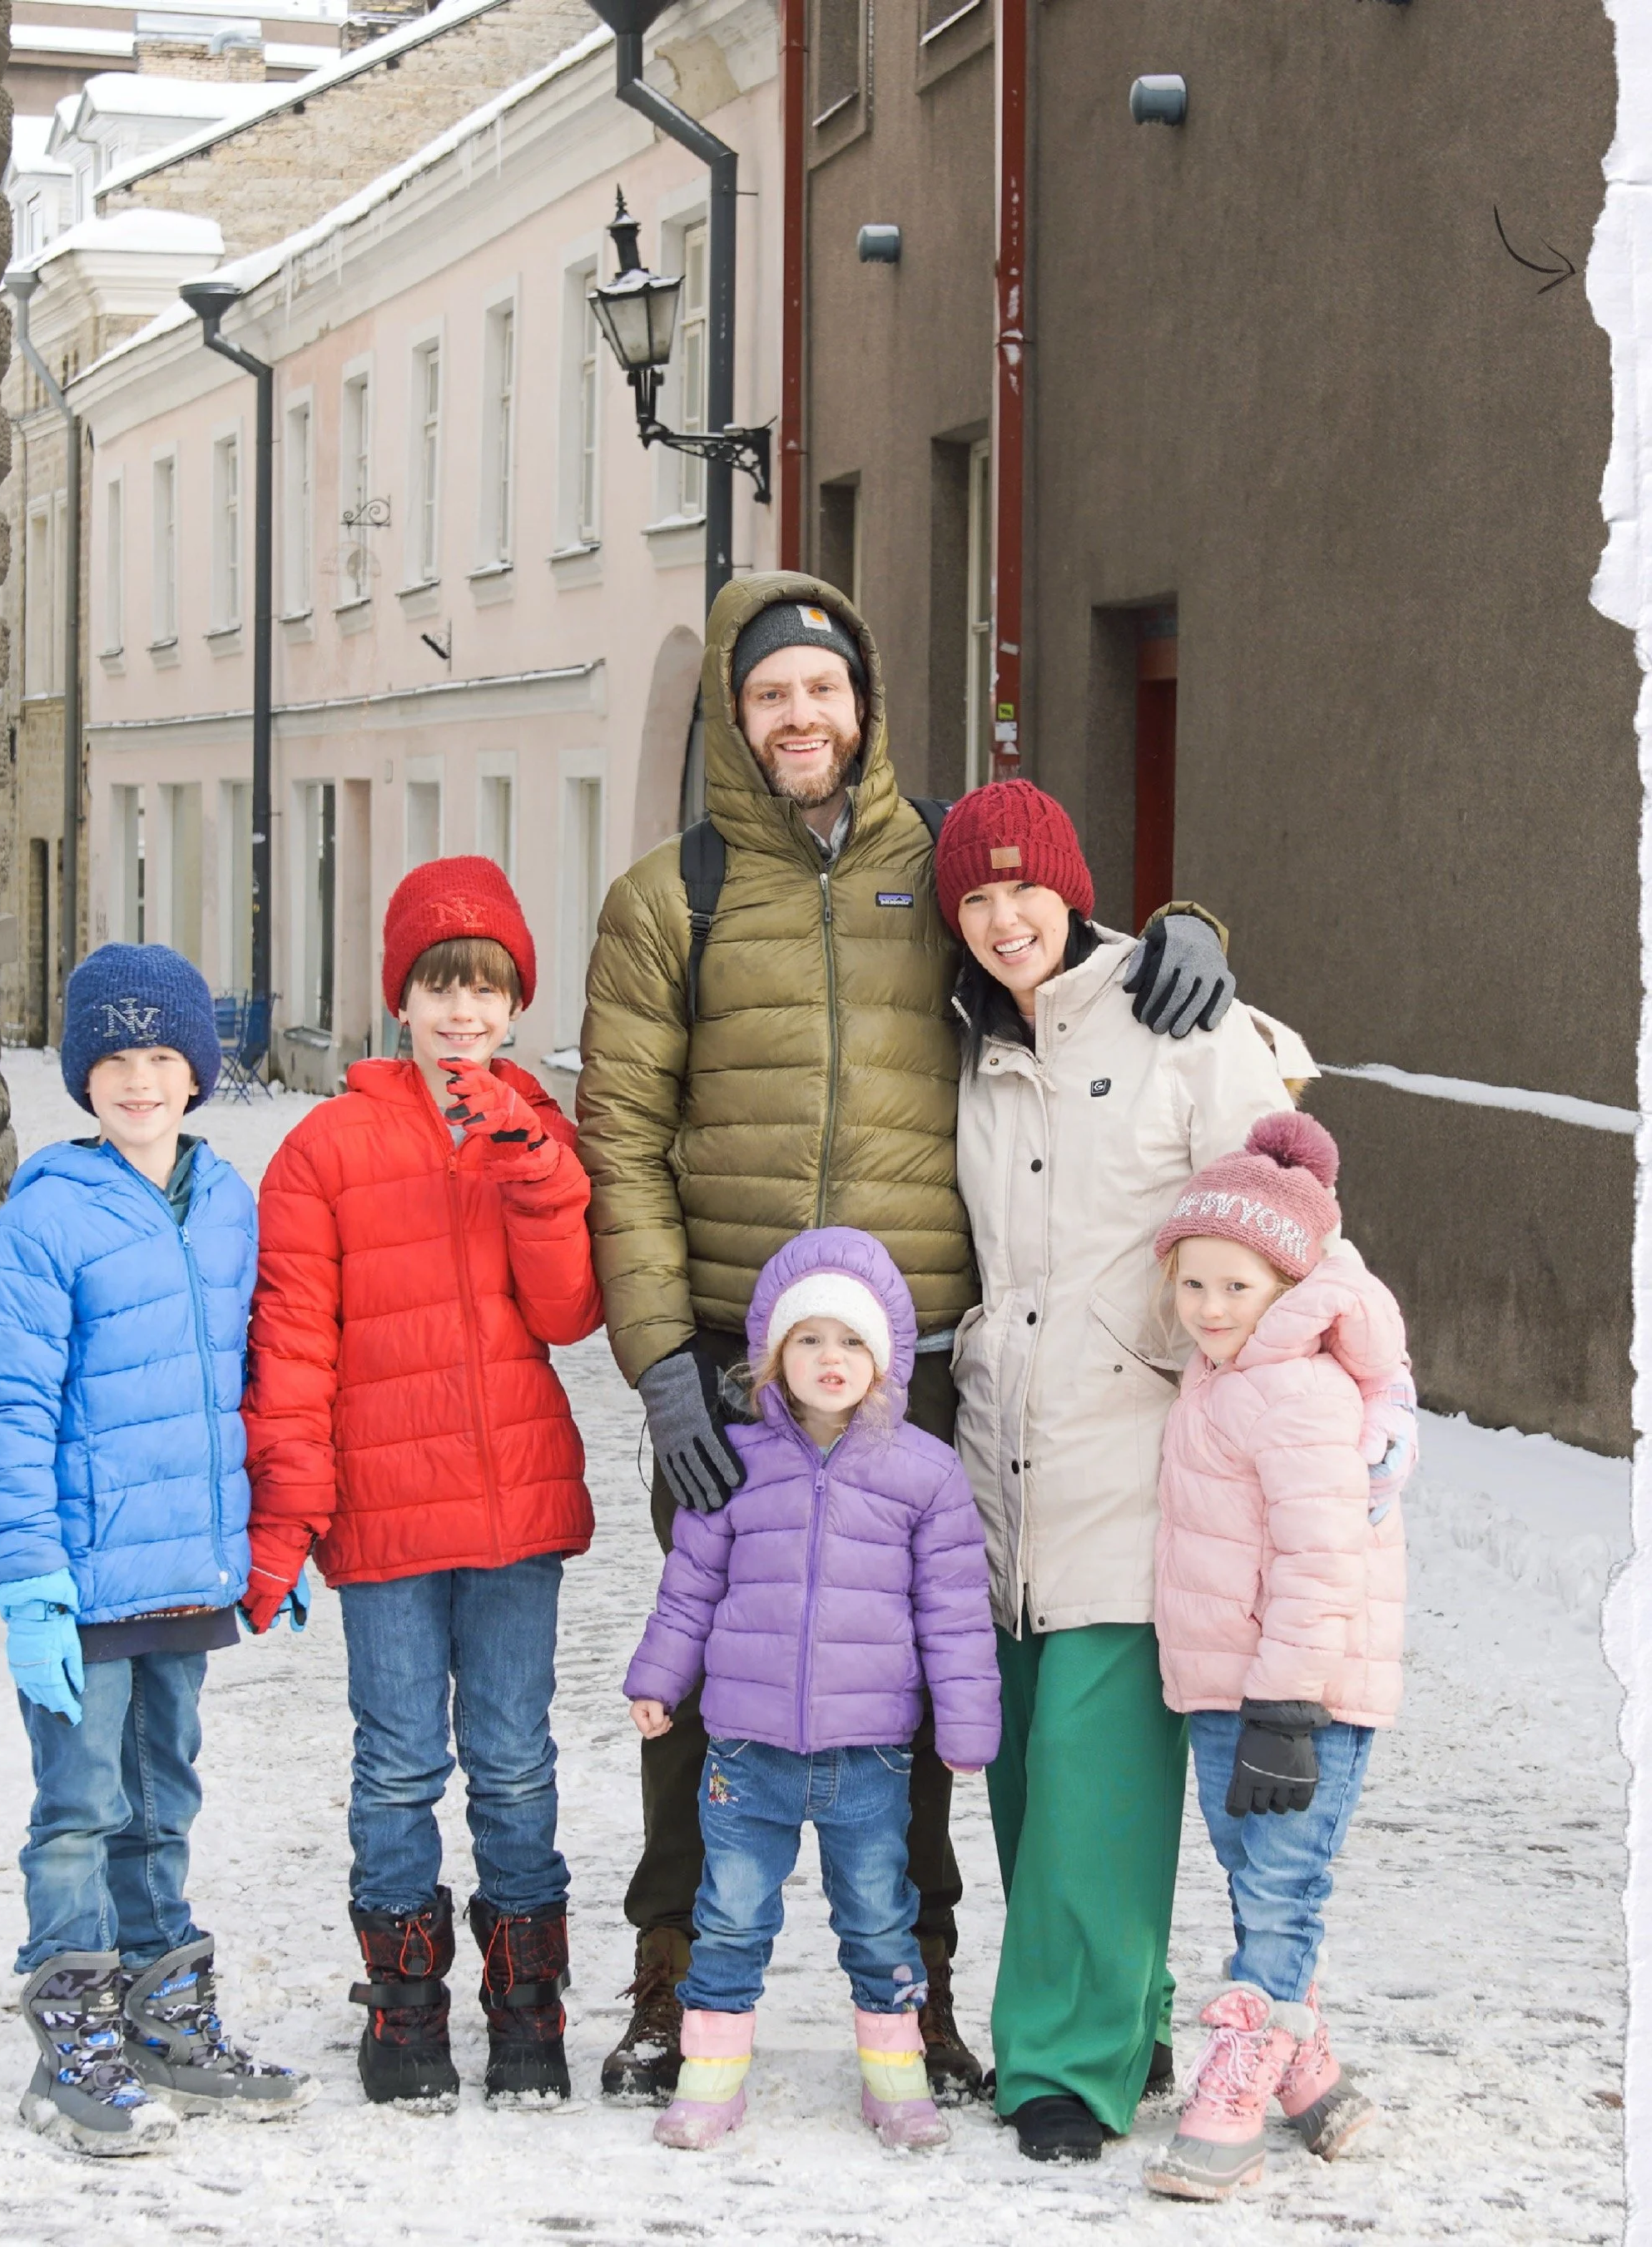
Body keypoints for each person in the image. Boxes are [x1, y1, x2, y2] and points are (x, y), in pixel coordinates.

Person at [578, 571, 1237, 2101]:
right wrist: (666, 1362)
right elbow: (619, 1138)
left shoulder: (934, 865)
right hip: (736, 1371)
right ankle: (672, 1976)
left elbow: (1052, 949)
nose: (798, 717)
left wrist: (1186, 929)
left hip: (916, 1364)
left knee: (922, 1681)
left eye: (821, 690)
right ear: (734, 721)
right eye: (767, 696)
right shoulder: (670, 895)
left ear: (860, 702)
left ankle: (918, 1987)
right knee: (700, 1684)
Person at [939, 778, 1312, 2164]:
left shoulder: (1175, 1018)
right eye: (974, 899)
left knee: (1097, 1779)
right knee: (1037, 1783)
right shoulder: (972, 1041)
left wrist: (1226, 1355)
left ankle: (1062, 2070)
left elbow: (1286, 1196)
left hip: (1141, 1451)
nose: (1003, 919)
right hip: (1005, 1457)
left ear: (1072, 887)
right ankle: (1132, 2013)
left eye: (1024, 889)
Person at [241, 858, 603, 2107]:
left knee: (513, 1760)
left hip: (512, 1504)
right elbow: (292, 1344)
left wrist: (542, 1181)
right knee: (398, 1763)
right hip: (386, 1515)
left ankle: (528, 2005)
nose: (463, 1011)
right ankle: (403, 2006)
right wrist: (285, 1516)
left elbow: (569, 1313)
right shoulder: (326, 1146)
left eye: (488, 988)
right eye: (442, 984)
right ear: (404, 995)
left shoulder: (539, 1131)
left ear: (514, 1007)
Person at [0, 943, 312, 2158]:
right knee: (77, 1810)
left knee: (162, 1803)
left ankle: (163, 2013)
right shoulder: (40, 1223)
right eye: (115, 1056)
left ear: (201, 1070)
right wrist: (29, 1588)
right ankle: (74, 2035)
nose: (141, 1077)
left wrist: (272, 1542)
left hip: (187, 1575)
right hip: (83, 1584)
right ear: (82, 1074)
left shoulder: (227, 1203)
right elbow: (4, 1415)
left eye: (164, 1053)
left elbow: (250, 1387)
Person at [623, 1228, 1000, 2151]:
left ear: (887, 1359)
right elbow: (690, 1590)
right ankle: (711, 2083)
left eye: (851, 1342)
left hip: (866, 1759)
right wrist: (658, 1679)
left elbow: (953, 1613)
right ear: (772, 1358)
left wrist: (965, 1723)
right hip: (746, 1757)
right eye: (808, 1340)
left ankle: (896, 2080)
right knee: (731, 1919)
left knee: (879, 1920)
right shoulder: (736, 1466)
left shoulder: (925, 1473)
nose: (830, 1360)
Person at [1143, 1112, 1406, 2201]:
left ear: (1285, 1287)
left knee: (1284, 1895)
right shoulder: (1227, 1371)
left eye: (1235, 1288)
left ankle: (1234, 2100)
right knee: (1260, 1887)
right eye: (1192, 1284)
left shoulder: (1295, 1388)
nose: (1208, 1308)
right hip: (1228, 1687)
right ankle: (1316, 2079)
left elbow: (1319, 1555)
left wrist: (1290, 1708)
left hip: (1300, 1697)